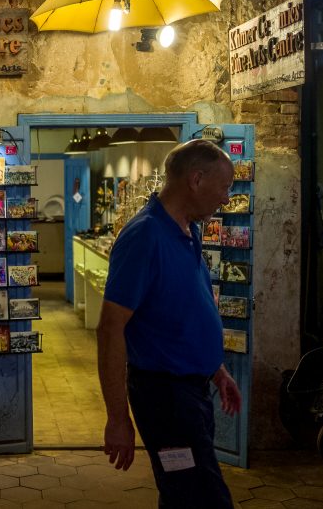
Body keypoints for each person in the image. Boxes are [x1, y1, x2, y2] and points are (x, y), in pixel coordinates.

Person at [97, 139, 242, 508]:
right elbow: (110, 329)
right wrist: (118, 418)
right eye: (224, 187)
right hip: (166, 400)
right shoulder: (144, 236)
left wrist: (216, 370)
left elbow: (182, 311)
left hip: (191, 393)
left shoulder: (189, 230)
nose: (227, 198)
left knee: (182, 495)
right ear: (196, 180)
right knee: (204, 499)